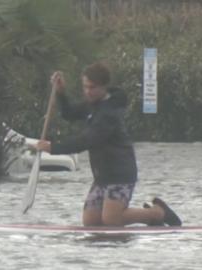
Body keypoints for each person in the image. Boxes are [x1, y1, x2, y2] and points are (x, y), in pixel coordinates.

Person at [34, 63, 182, 227]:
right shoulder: (92, 104)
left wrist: (53, 148)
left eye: (92, 87)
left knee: (111, 221)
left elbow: (88, 140)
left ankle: (157, 213)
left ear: (104, 87)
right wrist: (61, 93)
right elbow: (69, 114)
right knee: (91, 223)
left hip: (121, 174)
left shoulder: (109, 113)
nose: (87, 91)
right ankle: (146, 216)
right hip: (102, 176)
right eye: (85, 87)